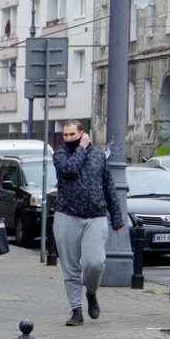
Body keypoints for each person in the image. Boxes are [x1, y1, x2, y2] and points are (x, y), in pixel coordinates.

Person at [52, 120, 123, 326]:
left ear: (83, 133)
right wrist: (81, 147)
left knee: (95, 263)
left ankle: (91, 292)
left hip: (95, 216)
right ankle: (76, 310)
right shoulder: (60, 156)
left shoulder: (99, 156)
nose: (68, 139)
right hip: (68, 215)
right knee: (70, 268)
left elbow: (109, 186)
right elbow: (71, 169)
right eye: (65, 135)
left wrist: (116, 217)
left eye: (72, 135)